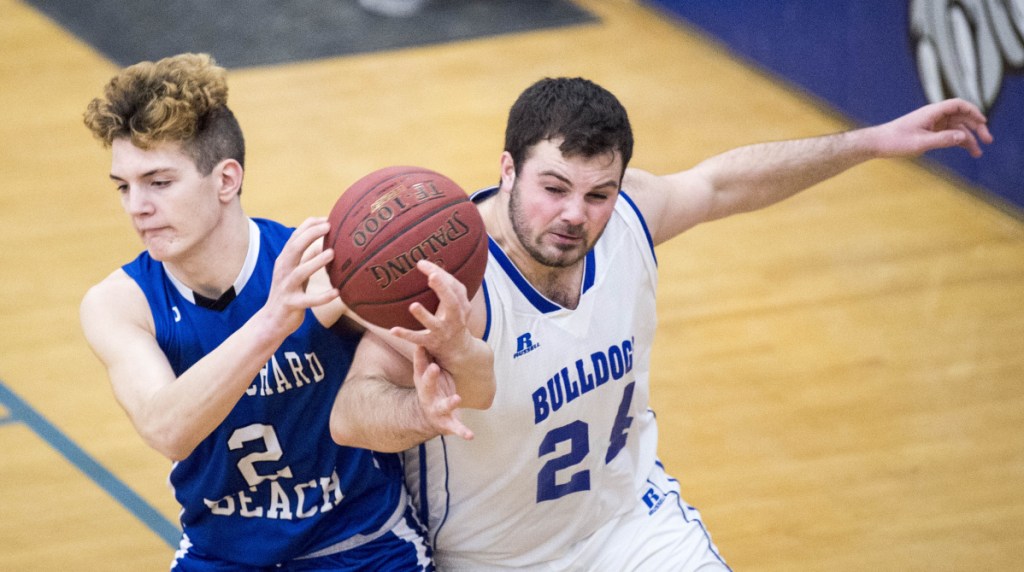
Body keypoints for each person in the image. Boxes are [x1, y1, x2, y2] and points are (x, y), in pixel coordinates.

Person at [330, 77, 993, 570]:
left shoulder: (628, 220)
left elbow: (725, 183)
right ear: (507, 171)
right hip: (496, 559)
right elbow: (354, 412)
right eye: (553, 188)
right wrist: (426, 413)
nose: (575, 215)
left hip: (630, 528)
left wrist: (872, 141)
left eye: (598, 194)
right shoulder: (450, 277)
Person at [79, 52, 494, 571]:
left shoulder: (325, 267)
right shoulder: (119, 303)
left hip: (360, 548)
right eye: (124, 185)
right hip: (222, 555)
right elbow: (166, 430)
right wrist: (271, 323)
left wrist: (436, 363)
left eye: (159, 182)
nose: (136, 206)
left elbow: (460, 348)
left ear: (226, 180)